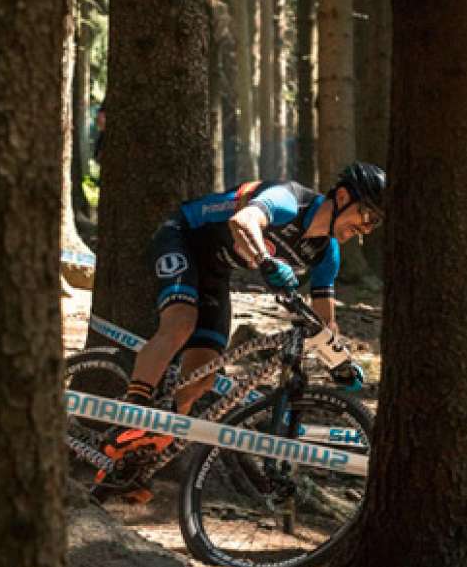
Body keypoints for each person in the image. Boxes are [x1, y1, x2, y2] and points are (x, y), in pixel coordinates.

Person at [102, 162, 387, 500]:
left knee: (201, 375)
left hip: (215, 271)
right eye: (367, 215)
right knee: (180, 323)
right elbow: (242, 221)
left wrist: (337, 359)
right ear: (342, 196)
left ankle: (139, 457)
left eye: (375, 224)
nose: (366, 229)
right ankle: (130, 413)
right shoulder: (287, 201)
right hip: (181, 237)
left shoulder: (328, 254)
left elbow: (323, 321)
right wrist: (267, 263)